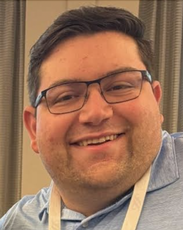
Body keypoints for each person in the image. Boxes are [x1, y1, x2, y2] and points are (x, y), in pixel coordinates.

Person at [0, 5, 183, 230]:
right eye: (66, 97)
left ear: (155, 100)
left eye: (119, 86)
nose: (96, 113)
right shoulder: (16, 223)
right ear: (33, 128)